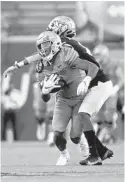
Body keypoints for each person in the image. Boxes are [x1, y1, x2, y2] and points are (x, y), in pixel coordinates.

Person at [3, 30, 113, 166]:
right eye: (41, 47)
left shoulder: (67, 53)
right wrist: (44, 90)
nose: (43, 50)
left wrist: (86, 80)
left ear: (55, 44)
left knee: (75, 137)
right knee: (56, 136)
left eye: (46, 45)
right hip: (63, 99)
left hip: (79, 97)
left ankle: (85, 142)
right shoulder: (41, 66)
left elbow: (91, 66)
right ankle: (64, 154)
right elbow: (45, 98)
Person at [47, 16, 114, 165]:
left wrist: (87, 79)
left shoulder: (67, 44)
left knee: (83, 115)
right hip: (95, 84)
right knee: (83, 117)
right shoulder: (69, 44)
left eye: (55, 27)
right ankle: (102, 151)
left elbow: (93, 66)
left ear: (63, 29)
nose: (51, 31)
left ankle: (95, 155)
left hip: (99, 83)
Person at [1, 71, 30, 141]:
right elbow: (4, 95)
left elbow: (17, 102)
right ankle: (3, 139)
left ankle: (15, 140)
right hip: (6, 111)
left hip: (12, 111)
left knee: (14, 126)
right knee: (4, 126)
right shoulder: (5, 95)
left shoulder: (15, 93)